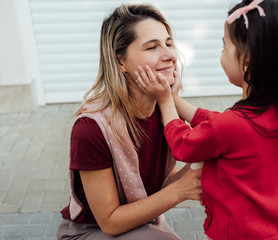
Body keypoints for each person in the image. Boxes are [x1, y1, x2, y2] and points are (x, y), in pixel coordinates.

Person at [134, 0, 278, 239]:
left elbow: (183, 145)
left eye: (224, 46)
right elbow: (222, 125)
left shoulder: (232, 125)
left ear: (247, 62)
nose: (221, 53)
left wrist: (165, 101)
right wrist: (176, 100)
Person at [57, 4, 202, 240]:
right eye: (152, 47)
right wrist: (181, 190)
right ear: (121, 61)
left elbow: (163, 187)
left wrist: (196, 167)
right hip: (91, 231)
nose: (169, 55)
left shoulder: (164, 109)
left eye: (168, 43)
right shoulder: (91, 128)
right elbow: (110, 222)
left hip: (142, 224)